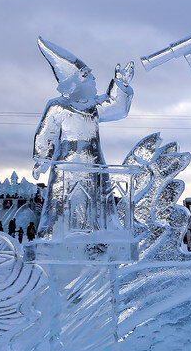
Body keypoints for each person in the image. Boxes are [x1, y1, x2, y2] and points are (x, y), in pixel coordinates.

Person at [32, 37, 134, 239]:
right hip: (67, 165)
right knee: (65, 202)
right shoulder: (58, 107)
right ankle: (58, 233)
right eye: (88, 78)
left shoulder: (93, 107)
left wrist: (121, 84)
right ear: (74, 83)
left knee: (96, 202)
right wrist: (42, 159)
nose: (94, 81)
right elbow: (46, 134)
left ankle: (99, 234)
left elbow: (117, 108)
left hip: (94, 163)